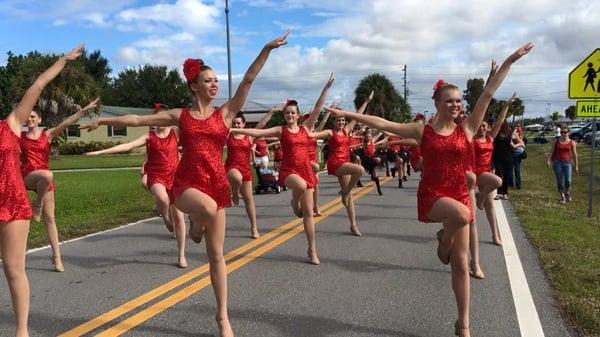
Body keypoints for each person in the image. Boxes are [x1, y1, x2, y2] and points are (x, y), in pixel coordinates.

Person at [81, 31, 290, 337]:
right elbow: (138, 121)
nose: (214, 84)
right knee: (203, 208)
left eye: (216, 79)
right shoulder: (182, 116)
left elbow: (248, 79)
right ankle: (193, 227)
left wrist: (266, 49)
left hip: (216, 183)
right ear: (194, 86)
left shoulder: (226, 114)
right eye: (208, 80)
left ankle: (222, 318)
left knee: (217, 256)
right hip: (187, 185)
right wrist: (102, 121)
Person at [324, 43, 533, 337]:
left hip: (459, 192)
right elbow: (384, 122)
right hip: (434, 196)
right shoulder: (423, 131)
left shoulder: (468, 128)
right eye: (450, 101)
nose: (456, 105)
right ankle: (443, 240)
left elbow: (487, 93)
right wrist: (350, 114)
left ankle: (463, 324)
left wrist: (512, 59)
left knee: (460, 264)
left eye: (459, 100)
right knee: (463, 214)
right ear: (437, 103)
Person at [1, 44, 84, 337]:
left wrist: (63, 60)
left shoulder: (11, 124)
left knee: (13, 269)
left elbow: (38, 85)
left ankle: (21, 332)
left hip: (11, 200)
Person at [230, 73, 335, 265]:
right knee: (301, 187)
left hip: (305, 170)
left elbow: (318, 109)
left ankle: (312, 249)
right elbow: (258, 132)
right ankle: (295, 203)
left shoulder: (306, 128)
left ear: (297, 113)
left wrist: (326, 89)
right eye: (287, 113)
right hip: (289, 171)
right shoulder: (281, 130)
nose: (290, 115)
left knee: (309, 213)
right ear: (284, 115)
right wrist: (235, 130)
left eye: (293, 113)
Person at [85, 103, 188, 268]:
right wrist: (100, 152)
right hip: (156, 176)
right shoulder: (149, 137)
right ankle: (166, 219)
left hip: (176, 176)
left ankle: (181, 254)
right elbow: (128, 146)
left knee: (180, 216)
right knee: (162, 198)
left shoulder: (175, 133)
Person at [309, 92, 373, 235]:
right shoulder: (331, 132)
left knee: (349, 198)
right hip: (335, 164)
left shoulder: (346, 130)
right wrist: (302, 133)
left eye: (343, 120)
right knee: (360, 170)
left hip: (345, 162)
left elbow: (357, 115)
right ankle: (345, 192)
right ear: (334, 121)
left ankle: (353, 225)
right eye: (338, 121)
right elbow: (314, 134)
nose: (341, 123)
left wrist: (367, 100)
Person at [226, 105, 281, 238]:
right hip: (231, 167)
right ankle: (234, 192)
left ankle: (254, 227)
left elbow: (261, 125)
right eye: (234, 123)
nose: (236, 126)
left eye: (239, 123)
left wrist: (272, 111)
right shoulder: (228, 136)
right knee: (236, 177)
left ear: (244, 124)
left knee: (249, 200)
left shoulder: (249, 137)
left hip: (245, 168)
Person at [473, 94, 517, 246]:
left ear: (488, 127)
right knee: (498, 181)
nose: (482, 128)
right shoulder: (471, 139)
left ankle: (495, 235)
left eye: (484, 126)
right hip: (474, 174)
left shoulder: (490, 138)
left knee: (490, 205)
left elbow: (499, 121)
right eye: (479, 125)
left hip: (486, 173)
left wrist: (507, 105)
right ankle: (479, 198)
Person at [547, 125, 579, 203]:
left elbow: (575, 155)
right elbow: (551, 151)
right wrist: (548, 160)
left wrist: (576, 165)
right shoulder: (556, 141)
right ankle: (562, 196)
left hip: (568, 163)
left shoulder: (572, 142)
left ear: (568, 133)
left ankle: (567, 192)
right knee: (559, 180)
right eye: (562, 132)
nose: (563, 134)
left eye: (565, 132)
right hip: (557, 163)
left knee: (568, 181)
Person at [492, 120, 514, 200]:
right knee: (498, 174)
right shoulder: (496, 132)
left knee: (507, 175)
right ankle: (499, 193)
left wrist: (514, 145)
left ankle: (505, 192)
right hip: (498, 157)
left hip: (508, 157)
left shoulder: (510, 132)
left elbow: (521, 142)